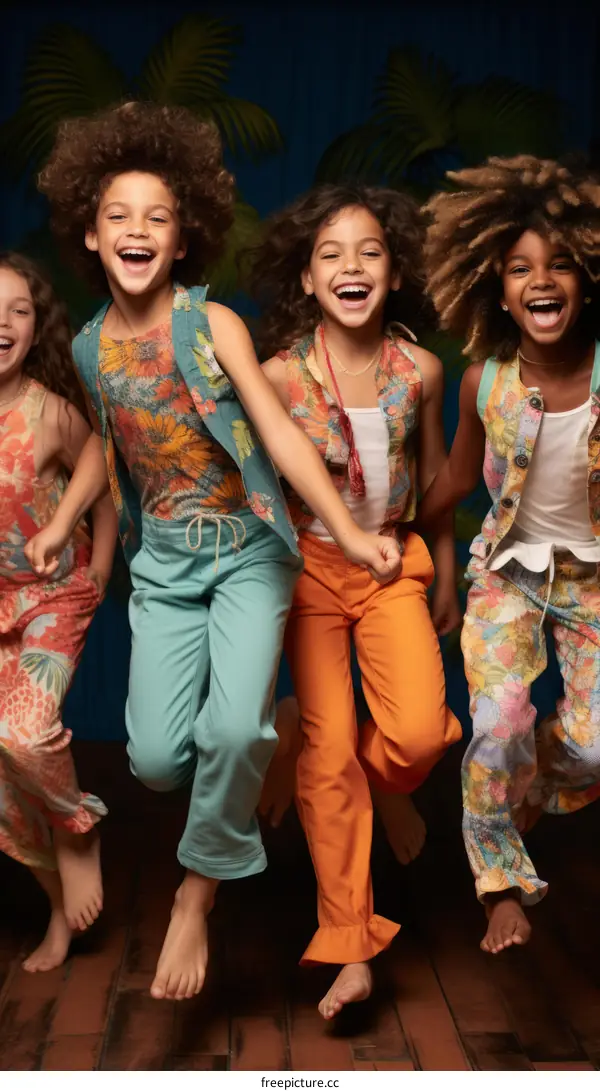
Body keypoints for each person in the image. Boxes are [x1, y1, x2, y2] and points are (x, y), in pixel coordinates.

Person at [25, 103, 402, 1002]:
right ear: (90, 232)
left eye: (157, 216)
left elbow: (280, 435)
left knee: (229, 729)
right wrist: (58, 521)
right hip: (165, 567)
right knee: (156, 757)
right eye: (119, 216)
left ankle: (198, 896)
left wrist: (347, 533)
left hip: (246, 555)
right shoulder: (87, 347)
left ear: (184, 234)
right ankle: (253, 746)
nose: (137, 231)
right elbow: (103, 453)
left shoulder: (212, 325)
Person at [251, 184, 462, 1018]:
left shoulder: (424, 372)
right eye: (330, 253)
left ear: (396, 270)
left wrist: (442, 572)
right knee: (329, 752)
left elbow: (439, 481)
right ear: (305, 280)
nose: (350, 265)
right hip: (307, 572)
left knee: (414, 736)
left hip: (392, 569)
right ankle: (350, 944)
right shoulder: (275, 375)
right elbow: (258, 496)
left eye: (369, 250)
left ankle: (339, 759)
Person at [418, 155, 600, 955]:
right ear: (498, 290)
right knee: (497, 724)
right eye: (522, 267)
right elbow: (457, 480)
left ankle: (531, 786)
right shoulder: (482, 381)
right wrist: (391, 527)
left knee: (593, 743)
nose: (542, 280)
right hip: (507, 578)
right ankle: (499, 884)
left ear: (587, 280)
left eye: (560, 264)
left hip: (593, 582)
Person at [0, 252, 116, 971]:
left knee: (23, 732)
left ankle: (79, 831)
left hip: (52, 598)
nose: (0, 321)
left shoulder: (49, 411)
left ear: (35, 324)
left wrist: (99, 568)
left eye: (16, 308)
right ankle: (55, 907)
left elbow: (101, 471)